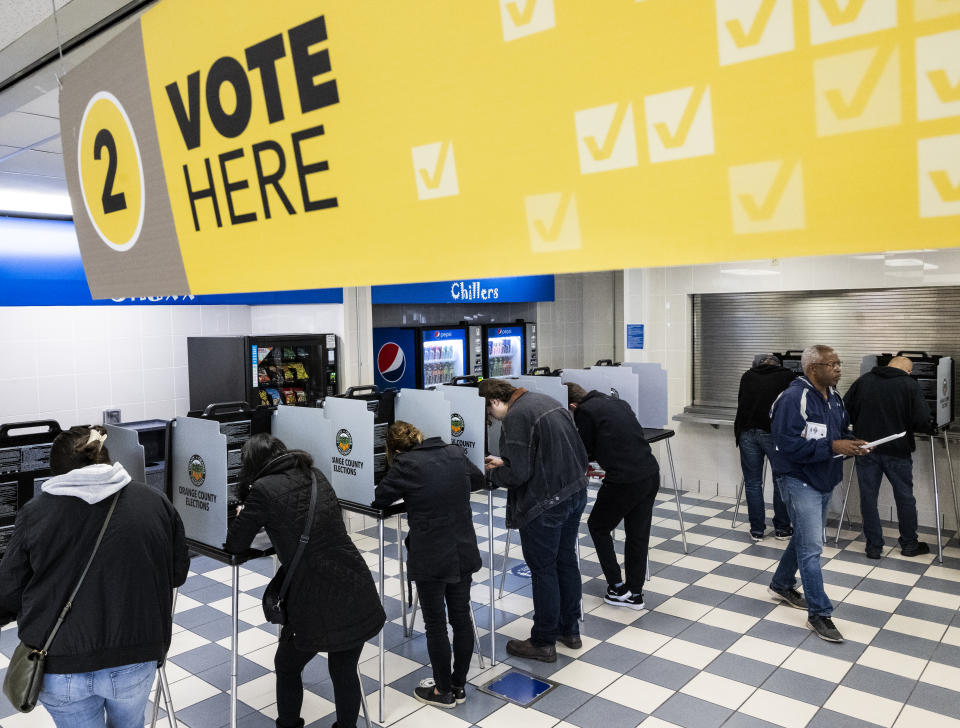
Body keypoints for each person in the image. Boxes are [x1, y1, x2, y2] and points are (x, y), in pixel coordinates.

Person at [0, 425, 189, 728]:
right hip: (135, 654)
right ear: (105, 458)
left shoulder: (34, 513)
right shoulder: (154, 502)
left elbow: (7, 591)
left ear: (56, 469)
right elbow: (177, 572)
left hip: (60, 663)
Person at [225, 434, 385, 728]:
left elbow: (236, 544)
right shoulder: (315, 475)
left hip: (313, 595)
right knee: (344, 667)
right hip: (354, 581)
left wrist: (244, 514)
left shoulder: (262, 488)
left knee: (286, 666)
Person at [371, 421, 485, 708]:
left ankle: (442, 691)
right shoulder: (454, 452)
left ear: (394, 449)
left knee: (435, 624)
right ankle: (459, 686)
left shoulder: (405, 464)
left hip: (431, 554)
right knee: (460, 617)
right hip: (462, 548)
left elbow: (381, 497)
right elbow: (479, 480)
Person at [479, 378, 589, 663]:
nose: (492, 418)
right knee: (565, 561)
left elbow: (518, 475)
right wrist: (507, 461)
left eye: (490, 413)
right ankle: (570, 630)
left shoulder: (517, 416)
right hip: (574, 492)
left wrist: (490, 472)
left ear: (494, 402)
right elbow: (545, 452)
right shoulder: (545, 401)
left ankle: (543, 641)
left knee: (543, 569)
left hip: (546, 503)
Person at [768, 345, 869, 643]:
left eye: (839, 363)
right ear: (813, 368)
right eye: (832, 364)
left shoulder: (834, 397)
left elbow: (837, 435)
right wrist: (834, 447)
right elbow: (787, 446)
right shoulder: (792, 398)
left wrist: (853, 443)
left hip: (824, 478)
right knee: (812, 548)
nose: (838, 368)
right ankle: (819, 613)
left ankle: (782, 583)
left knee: (804, 538)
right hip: (798, 480)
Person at [565, 382, 659, 610]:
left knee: (598, 525)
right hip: (649, 473)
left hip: (624, 480)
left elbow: (583, 449)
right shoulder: (617, 402)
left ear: (572, 405)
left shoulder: (584, 412)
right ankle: (635, 593)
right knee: (637, 534)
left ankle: (616, 586)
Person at [843, 356, 932, 559]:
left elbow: (844, 411)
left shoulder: (864, 380)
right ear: (908, 370)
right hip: (897, 451)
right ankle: (909, 544)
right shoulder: (909, 385)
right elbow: (921, 420)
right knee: (904, 498)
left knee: (868, 498)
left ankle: (873, 547)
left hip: (866, 448)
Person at [734, 354, 796, 541]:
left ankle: (757, 530)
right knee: (780, 481)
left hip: (747, 433)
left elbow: (741, 402)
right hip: (773, 434)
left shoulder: (747, 375)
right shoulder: (788, 377)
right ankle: (782, 529)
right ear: (779, 365)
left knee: (753, 483)